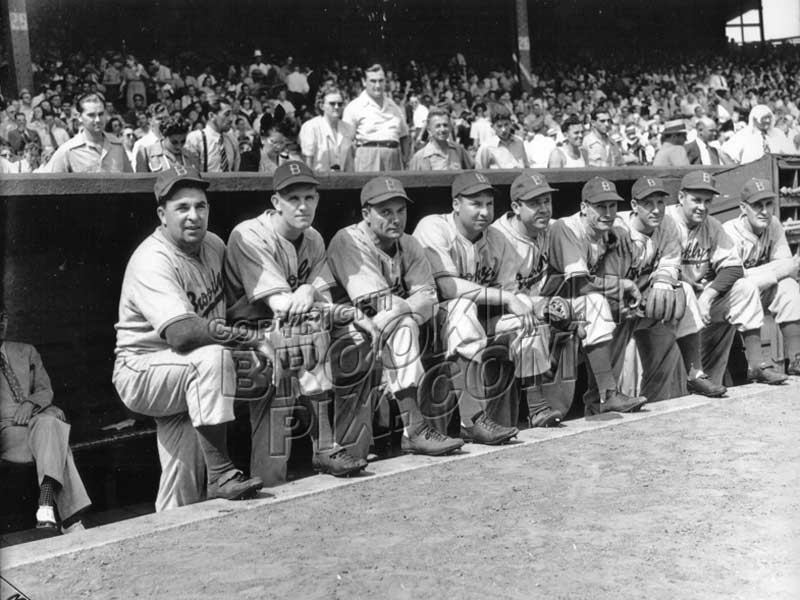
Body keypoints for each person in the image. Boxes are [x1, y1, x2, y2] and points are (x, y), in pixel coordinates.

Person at [113, 165, 264, 511]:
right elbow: (181, 335)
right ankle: (223, 472)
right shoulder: (152, 258)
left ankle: (171, 538)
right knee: (213, 360)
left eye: (201, 206)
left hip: (186, 372)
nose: (193, 215)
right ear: (162, 214)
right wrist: (246, 338)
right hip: (143, 370)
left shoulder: (213, 245)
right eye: (182, 208)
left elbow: (237, 306)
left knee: (181, 477)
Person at [225, 161, 372, 483]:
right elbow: (282, 306)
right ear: (276, 203)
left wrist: (311, 291)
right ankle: (312, 453)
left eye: (310, 197)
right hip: (243, 337)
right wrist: (307, 291)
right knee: (294, 350)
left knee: (356, 340)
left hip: (291, 333)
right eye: (294, 199)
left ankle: (351, 449)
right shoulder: (248, 234)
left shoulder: (314, 238)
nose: (303, 206)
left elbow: (322, 299)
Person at [326, 177, 465, 456]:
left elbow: (430, 301)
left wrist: (403, 308)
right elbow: (378, 303)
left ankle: (414, 429)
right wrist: (406, 307)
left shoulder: (410, 244)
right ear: (366, 214)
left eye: (400, 210)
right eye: (385, 212)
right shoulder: (348, 239)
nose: (396, 219)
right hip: (344, 336)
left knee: (403, 322)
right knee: (354, 456)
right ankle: (412, 430)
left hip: (386, 336)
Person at [414, 171, 555, 439]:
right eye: (475, 203)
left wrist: (524, 303)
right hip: (430, 324)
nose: (484, 211)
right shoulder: (434, 226)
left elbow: (510, 294)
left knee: (525, 316)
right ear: (456, 204)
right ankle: (471, 421)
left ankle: (537, 407)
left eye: (489, 204)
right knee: (461, 308)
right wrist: (506, 298)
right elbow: (447, 288)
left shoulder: (497, 239)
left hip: (475, 325)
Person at [665, 171, 783, 386]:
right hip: (669, 301)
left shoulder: (712, 225)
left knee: (744, 287)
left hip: (701, 301)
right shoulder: (665, 221)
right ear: (681, 197)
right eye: (696, 200)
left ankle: (756, 365)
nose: (702, 206)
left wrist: (708, 296)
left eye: (707, 201)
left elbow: (734, 268)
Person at [614, 176, 727, 400]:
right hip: (616, 303)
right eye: (648, 203)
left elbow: (670, 262)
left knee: (681, 291)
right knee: (614, 377)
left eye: (660, 203)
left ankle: (695, 373)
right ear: (634, 206)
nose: (656, 210)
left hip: (647, 297)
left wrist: (663, 282)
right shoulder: (618, 227)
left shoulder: (668, 224)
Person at [545, 177, 648, 414]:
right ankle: (605, 395)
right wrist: (623, 285)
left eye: (612, 206)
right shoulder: (567, 228)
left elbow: (625, 221)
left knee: (617, 311)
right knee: (597, 303)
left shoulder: (605, 230)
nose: (608, 213)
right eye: (601, 206)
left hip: (568, 308)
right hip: (545, 306)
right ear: (583, 208)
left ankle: (604, 396)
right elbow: (580, 284)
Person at [0, 305, 91, 533]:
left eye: (2, 317)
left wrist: (30, 404)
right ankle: (70, 521)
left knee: (50, 425)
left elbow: (44, 389)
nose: (0, 323)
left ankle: (45, 504)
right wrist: (26, 412)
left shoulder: (25, 350)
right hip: (7, 432)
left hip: (37, 424)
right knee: (56, 433)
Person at [723, 178, 800, 376]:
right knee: (745, 287)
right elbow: (735, 278)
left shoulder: (772, 224)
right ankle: (756, 365)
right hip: (727, 298)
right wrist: (776, 269)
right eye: (757, 205)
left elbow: (789, 268)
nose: (764, 211)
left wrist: (765, 273)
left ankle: (796, 358)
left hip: (759, 290)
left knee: (789, 286)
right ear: (743, 207)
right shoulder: (729, 232)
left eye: (768, 204)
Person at [40, 93, 131, 173]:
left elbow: (131, 183)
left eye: (101, 114)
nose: (98, 120)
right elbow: (47, 182)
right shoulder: (68, 150)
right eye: (91, 115)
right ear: (79, 117)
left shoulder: (117, 146)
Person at [342, 64, 409, 172]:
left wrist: (406, 160)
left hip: (393, 159)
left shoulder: (394, 107)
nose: (377, 85)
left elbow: (404, 136)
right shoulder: (353, 107)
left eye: (381, 81)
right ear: (364, 82)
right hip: (367, 159)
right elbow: (346, 144)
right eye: (373, 81)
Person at [298, 88, 354, 173]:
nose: (336, 107)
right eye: (332, 104)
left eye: (340, 104)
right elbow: (308, 161)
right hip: (318, 179)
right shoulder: (311, 127)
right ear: (321, 106)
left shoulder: (348, 128)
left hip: (342, 179)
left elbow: (349, 162)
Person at [723, 104, 796, 164]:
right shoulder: (744, 135)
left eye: (769, 118)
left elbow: (791, 154)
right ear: (754, 119)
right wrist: (736, 172)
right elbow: (724, 152)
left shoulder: (778, 133)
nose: (768, 121)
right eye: (764, 118)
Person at [408, 107, 473, 171]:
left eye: (445, 125)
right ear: (429, 129)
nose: (442, 129)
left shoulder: (458, 150)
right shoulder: (420, 157)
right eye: (438, 126)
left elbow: (473, 172)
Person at [185, 98, 240, 172]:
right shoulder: (196, 138)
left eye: (231, 114)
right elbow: (191, 173)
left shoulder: (232, 140)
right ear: (211, 116)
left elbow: (236, 172)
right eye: (226, 114)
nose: (231, 119)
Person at [132, 102, 170, 172]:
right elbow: (139, 175)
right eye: (159, 119)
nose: (164, 121)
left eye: (166, 118)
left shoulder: (175, 140)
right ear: (150, 121)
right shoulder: (142, 144)